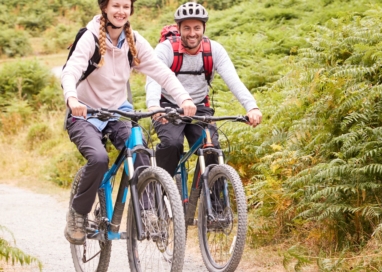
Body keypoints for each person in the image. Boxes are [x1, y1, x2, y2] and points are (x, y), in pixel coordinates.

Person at [61, 0, 197, 245]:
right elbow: (70, 71)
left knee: (140, 150)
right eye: (116, 5)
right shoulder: (90, 37)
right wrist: (72, 99)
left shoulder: (133, 40)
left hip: (117, 112)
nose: (121, 11)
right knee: (99, 158)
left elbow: (162, 72)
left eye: (126, 6)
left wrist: (184, 98)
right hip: (84, 113)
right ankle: (77, 213)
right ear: (105, 7)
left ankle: (147, 213)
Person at [145, 2, 262, 179]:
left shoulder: (214, 50)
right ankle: (161, 188)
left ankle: (212, 202)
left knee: (211, 149)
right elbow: (154, 78)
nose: (192, 33)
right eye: (187, 28)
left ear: (204, 28)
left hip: (199, 107)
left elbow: (234, 81)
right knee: (172, 144)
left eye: (197, 28)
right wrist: (154, 106)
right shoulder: (166, 49)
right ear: (178, 28)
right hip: (168, 107)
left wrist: (251, 107)